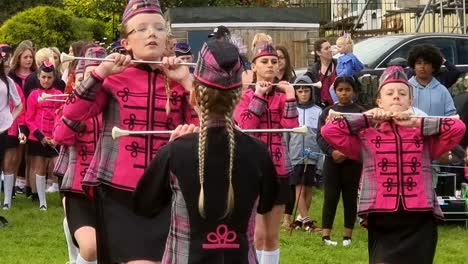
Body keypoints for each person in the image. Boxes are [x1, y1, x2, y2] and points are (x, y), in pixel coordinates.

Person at [61, 0, 198, 262]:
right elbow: (67, 123)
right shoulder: (113, 78)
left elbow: (216, 129)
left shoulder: (180, 78)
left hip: (169, 192)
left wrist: (186, 80)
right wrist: (99, 73)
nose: (152, 34)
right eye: (142, 29)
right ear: (126, 42)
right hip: (119, 195)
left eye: (159, 28)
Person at [134, 38, 278, 264]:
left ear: (194, 96)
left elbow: (144, 205)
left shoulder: (175, 152)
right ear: (239, 96)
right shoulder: (259, 152)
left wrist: (172, 145)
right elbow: (267, 204)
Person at [321, 66, 465, 263]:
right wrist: (368, 117)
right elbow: (329, 131)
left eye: (402, 93)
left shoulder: (424, 134)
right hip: (382, 217)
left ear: (410, 101)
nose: (396, 97)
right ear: (379, 101)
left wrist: (417, 123)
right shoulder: (366, 135)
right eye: (389, 93)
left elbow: (458, 127)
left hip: (420, 216)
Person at [234, 43, 298, 264]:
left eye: (274, 61)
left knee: (271, 235)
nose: (270, 65)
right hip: (253, 170)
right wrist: (259, 95)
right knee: (257, 234)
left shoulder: (282, 96)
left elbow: (291, 126)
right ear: (254, 66)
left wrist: (290, 95)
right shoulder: (244, 95)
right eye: (264, 61)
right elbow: (246, 125)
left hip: (279, 169)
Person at [317, 76, 365, 246]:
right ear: (335, 91)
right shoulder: (327, 112)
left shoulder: (361, 112)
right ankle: (325, 235)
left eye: (347, 89)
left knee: (350, 198)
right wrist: (332, 152)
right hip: (332, 161)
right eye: (340, 90)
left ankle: (347, 236)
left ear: (353, 91)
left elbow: (363, 137)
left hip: (352, 162)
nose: (344, 93)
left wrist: (348, 152)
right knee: (330, 197)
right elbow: (321, 137)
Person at [285, 75, 322, 232]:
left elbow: (321, 135)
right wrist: (287, 155)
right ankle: (308, 221)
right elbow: (286, 135)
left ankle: (301, 220)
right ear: (295, 93)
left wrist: (320, 158)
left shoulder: (318, 111)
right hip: (295, 154)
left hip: (312, 154)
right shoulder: (291, 110)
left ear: (311, 92)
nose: (303, 93)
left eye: (306, 90)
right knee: (298, 187)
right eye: (299, 90)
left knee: (308, 187)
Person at [25, 61, 62, 210]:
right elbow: (29, 118)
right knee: (39, 168)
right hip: (37, 138)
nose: (46, 80)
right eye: (43, 77)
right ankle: (42, 202)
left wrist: (56, 138)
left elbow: (61, 116)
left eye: (49, 77)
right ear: (38, 77)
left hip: (55, 138)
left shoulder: (59, 95)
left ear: (54, 78)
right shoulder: (34, 95)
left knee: (59, 167)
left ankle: (65, 198)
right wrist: (41, 137)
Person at [0, 52, 24, 211]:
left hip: (4, 129)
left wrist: (10, 118)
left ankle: (7, 200)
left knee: (8, 164)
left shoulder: (7, 82)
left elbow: (19, 104)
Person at [407, 44, 457, 117]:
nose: (422, 67)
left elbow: (451, 116)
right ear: (413, 66)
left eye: (426, 63)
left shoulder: (442, 90)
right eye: (419, 63)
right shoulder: (405, 88)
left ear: (433, 67)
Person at [304, 39, 337, 107]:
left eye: (330, 47)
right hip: (320, 107)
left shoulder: (339, 65)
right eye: (326, 48)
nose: (330, 50)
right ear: (318, 53)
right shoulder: (313, 70)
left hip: (338, 106)